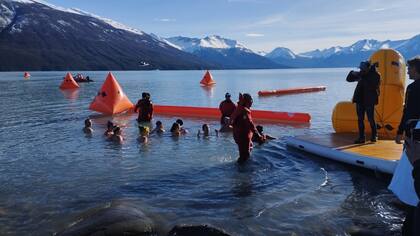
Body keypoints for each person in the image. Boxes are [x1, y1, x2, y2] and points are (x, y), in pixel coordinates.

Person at [389, 57, 420, 236]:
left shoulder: (413, 88)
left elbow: (407, 111)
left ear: (416, 69)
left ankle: (409, 199)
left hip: (414, 133)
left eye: (410, 69)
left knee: (410, 167)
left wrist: (400, 131)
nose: (407, 72)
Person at [346, 61, 381, 144]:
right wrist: (352, 73)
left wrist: (361, 75)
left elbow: (372, 85)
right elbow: (348, 79)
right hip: (360, 99)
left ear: (368, 68)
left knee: (371, 118)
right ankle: (361, 137)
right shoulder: (362, 74)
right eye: (360, 69)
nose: (361, 70)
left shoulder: (376, 75)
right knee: (360, 119)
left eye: (362, 68)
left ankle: (374, 135)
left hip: (369, 100)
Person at [231, 93, 263, 163]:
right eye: (250, 100)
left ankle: (240, 168)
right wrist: (258, 136)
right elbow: (251, 124)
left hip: (238, 135)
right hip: (243, 136)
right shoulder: (245, 111)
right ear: (247, 101)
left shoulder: (239, 108)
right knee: (245, 155)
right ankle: (241, 172)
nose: (252, 102)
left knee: (244, 153)